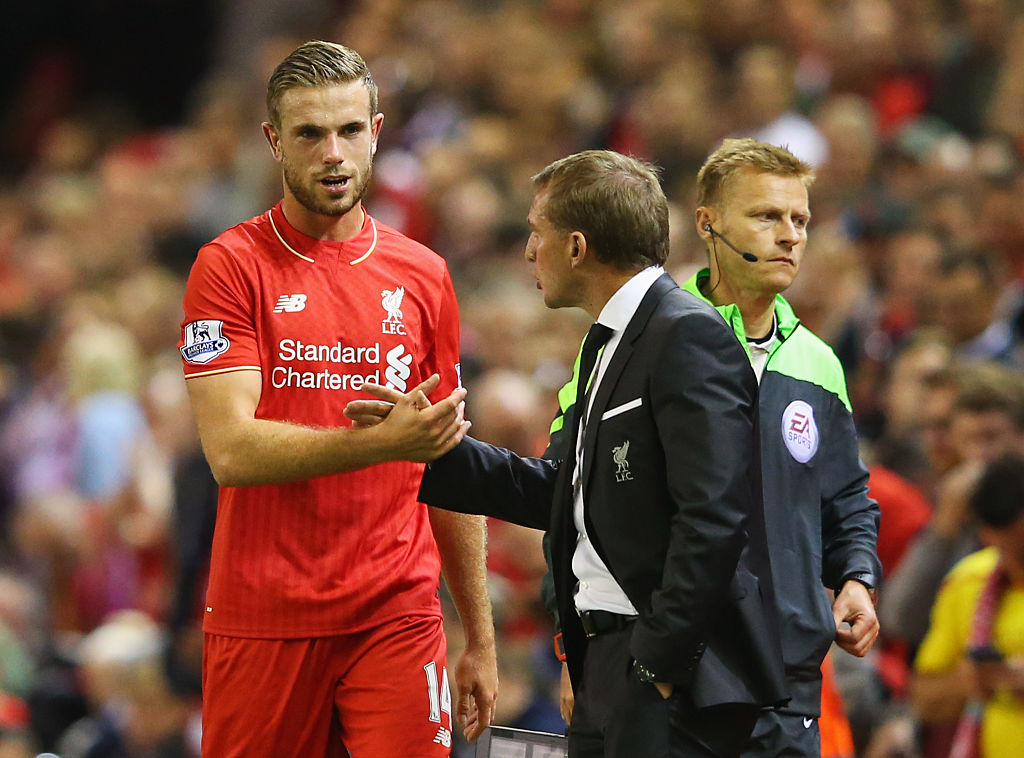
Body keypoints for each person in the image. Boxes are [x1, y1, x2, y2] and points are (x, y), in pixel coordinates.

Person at [350, 149, 788, 758]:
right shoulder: (606, 344)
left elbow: (714, 517)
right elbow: (560, 489)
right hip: (603, 661)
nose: (529, 251)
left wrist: (657, 662)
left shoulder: (687, 334)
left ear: (577, 247)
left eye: (537, 233)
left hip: (666, 672)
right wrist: (425, 450)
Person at [178, 40, 496, 758]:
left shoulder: (424, 275)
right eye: (310, 133)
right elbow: (230, 450)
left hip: (396, 611)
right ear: (273, 141)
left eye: (351, 130)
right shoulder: (228, 267)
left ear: (377, 132)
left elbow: (448, 460)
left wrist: (477, 631)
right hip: (264, 613)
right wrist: (382, 443)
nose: (334, 153)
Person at [542, 139, 882, 758]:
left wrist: (856, 575)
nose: (789, 236)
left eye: (800, 220)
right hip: (680, 673)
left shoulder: (818, 361)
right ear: (708, 224)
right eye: (766, 216)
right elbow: (570, 488)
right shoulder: (646, 337)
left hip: (788, 680)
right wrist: (578, 649)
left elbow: (845, 496)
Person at [911, 451, 1024, 758]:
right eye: (996, 542)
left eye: (1018, 548)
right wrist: (967, 682)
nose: (1005, 559)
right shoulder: (969, 580)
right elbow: (923, 697)